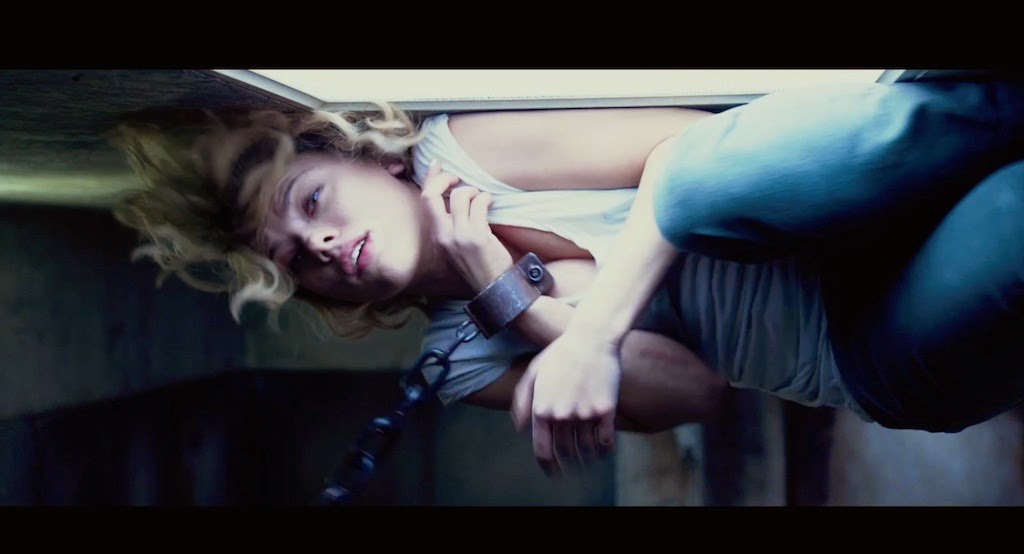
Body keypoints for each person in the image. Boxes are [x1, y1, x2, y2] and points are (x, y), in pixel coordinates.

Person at [110, 77, 1024, 478]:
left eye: (312, 201)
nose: (320, 244)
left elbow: (699, 154)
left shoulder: (465, 148)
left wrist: (592, 333)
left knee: (700, 182)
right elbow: (693, 390)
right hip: (862, 350)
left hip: (854, 204)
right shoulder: (461, 361)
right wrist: (510, 295)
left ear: (368, 158)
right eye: (295, 261)